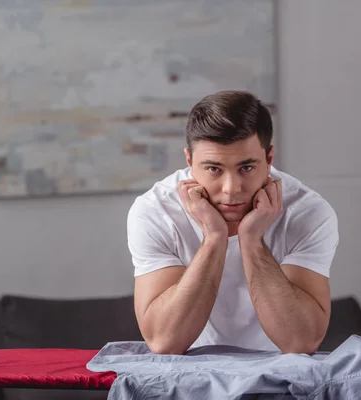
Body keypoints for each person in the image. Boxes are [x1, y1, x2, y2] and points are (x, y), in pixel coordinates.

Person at [127, 90, 339, 355]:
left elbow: (301, 342)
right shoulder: (155, 212)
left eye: (246, 168)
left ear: (269, 159)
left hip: (281, 374)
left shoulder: (308, 213)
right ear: (189, 161)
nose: (231, 189)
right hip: (187, 374)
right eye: (214, 169)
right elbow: (164, 342)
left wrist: (251, 240)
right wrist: (215, 238)